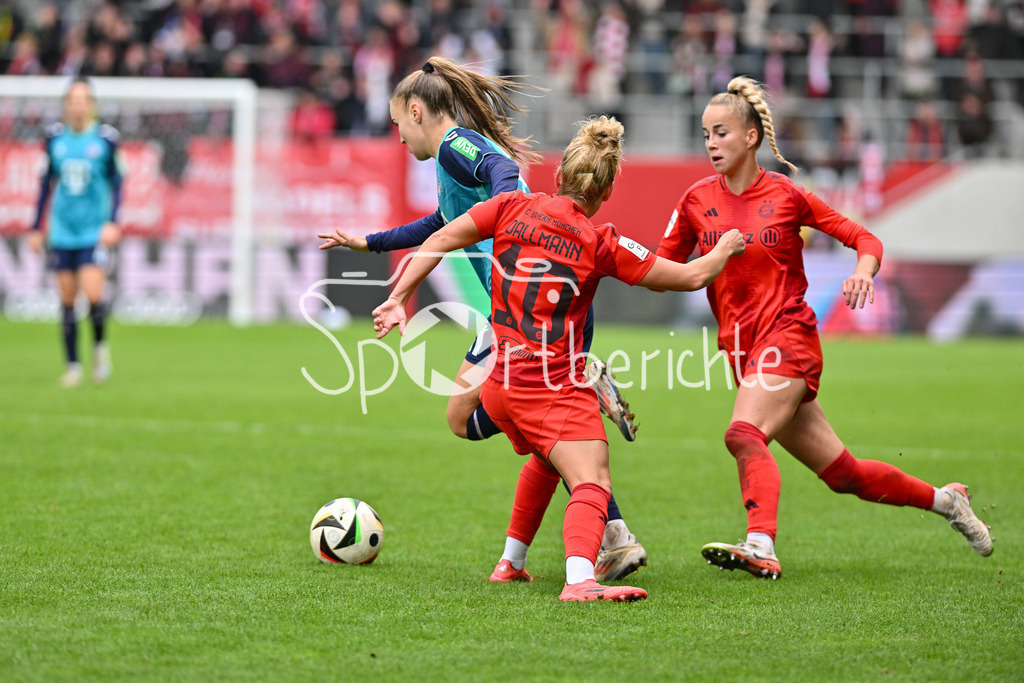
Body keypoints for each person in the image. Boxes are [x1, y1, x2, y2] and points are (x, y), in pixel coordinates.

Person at [372, 116, 746, 601]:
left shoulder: (508, 206)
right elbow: (692, 276)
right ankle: (579, 580)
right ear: (605, 193)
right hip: (550, 388)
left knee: (546, 459)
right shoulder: (600, 241)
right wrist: (727, 250)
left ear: (558, 175)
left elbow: (440, 238)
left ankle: (511, 562)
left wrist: (400, 296)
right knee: (592, 478)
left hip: (501, 382)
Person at [318, 56, 646, 582]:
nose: (398, 137)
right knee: (493, 423)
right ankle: (605, 528)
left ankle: (608, 536)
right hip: (524, 312)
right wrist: (372, 242)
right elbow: (443, 223)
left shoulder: (453, 144)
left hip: (523, 313)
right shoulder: (451, 161)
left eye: (398, 122)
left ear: (417, 110)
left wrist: (512, 219)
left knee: (472, 420)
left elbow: (506, 178)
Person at [656, 76, 993, 580]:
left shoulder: (787, 195)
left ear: (750, 137)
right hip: (744, 354)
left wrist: (862, 270)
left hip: (788, 338)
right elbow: (665, 271)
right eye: (705, 134)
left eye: (721, 133)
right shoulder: (695, 200)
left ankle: (761, 545)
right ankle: (947, 501)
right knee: (844, 475)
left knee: (743, 433)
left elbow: (864, 237)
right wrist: (701, 260)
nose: (710, 144)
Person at [29, 76, 124, 388]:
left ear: (92, 105)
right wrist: (35, 226)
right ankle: (72, 366)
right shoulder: (54, 139)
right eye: (73, 100)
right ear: (66, 105)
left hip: (93, 230)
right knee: (67, 299)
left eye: (84, 99)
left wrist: (112, 221)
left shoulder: (106, 140)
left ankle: (99, 350)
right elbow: (45, 186)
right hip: (63, 231)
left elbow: (118, 183)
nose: (78, 105)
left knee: (94, 294)